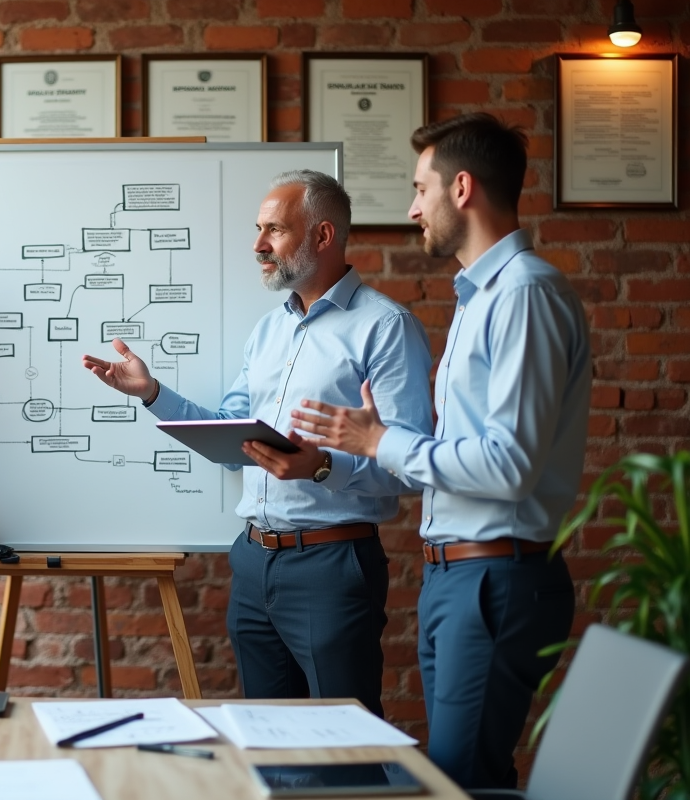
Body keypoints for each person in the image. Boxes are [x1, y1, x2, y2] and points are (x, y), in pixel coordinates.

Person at [292, 113, 591, 789]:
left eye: (419, 189)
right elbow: (475, 449)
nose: (410, 207)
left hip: (494, 580)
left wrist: (380, 440)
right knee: (466, 775)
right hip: (460, 577)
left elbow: (509, 466)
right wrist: (382, 441)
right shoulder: (481, 298)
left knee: (459, 781)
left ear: (461, 190)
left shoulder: (524, 295)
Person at [82, 170, 433, 714]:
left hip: (331, 564)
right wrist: (152, 393)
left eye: (273, 230)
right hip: (251, 562)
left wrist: (321, 468)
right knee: (270, 740)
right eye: (258, 229)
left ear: (322, 236)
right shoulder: (268, 331)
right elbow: (230, 428)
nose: (258, 245)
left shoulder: (386, 328)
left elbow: (408, 464)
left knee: (342, 743)